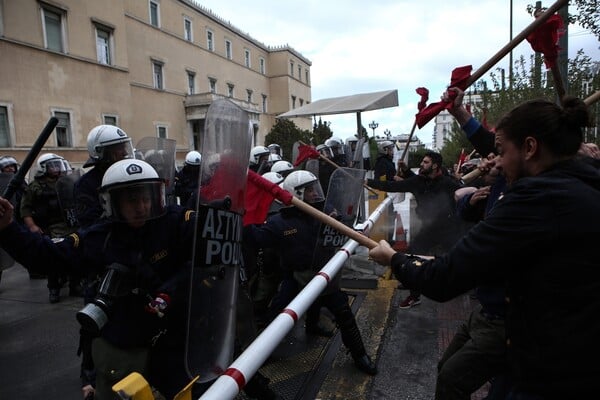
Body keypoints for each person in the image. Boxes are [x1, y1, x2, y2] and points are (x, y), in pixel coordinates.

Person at [369, 96, 600, 399]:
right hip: (568, 350)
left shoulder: (535, 199)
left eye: (502, 152)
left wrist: (394, 259)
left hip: (549, 369)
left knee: (453, 381)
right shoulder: (586, 184)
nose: (496, 161)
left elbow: (445, 279)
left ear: (530, 148)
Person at [0, 159, 203, 399]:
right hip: (123, 343)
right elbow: (47, 257)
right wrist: (8, 228)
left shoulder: (174, 222)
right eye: (131, 200)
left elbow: (207, 244)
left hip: (173, 340)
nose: (141, 206)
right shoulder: (99, 237)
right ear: (113, 201)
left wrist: (221, 218)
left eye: (146, 197)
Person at [244, 170, 378, 376]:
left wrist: (350, 227)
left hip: (324, 274)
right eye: (309, 191)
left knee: (344, 314)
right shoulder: (278, 223)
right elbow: (256, 239)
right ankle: (259, 355)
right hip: (295, 276)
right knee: (278, 317)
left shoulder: (325, 212)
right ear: (296, 194)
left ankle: (359, 354)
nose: (316, 194)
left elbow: (342, 228)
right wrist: (241, 221)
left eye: (315, 189)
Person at [367, 151, 462, 308]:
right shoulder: (417, 181)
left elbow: (463, 196)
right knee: (412, 255)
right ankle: (414, 292)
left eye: (425, 162)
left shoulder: (448, 183)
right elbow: (392, 186)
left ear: (435, 166)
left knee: (456, 259)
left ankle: (458, 287)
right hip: (428, 229)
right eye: (422, 162)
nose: (422, 165)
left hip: (448, 229)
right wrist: (368, 182)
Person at [20, 153, 82, 303]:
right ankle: (54, 288)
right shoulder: (35, 186)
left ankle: (75, 285)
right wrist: (32, 226)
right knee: (53, 257)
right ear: (43, 168)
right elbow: (25, 209)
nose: (56, 168)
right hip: (50, 226)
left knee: (76, 254)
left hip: (70, 223)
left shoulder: (66, 181)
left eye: (58, 165)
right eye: (52, 165)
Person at [75, 125, 134, 228]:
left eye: (125, 146)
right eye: (119, 148)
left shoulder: (128, 175)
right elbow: (89, 223)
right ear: (101, 152)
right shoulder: (86, 184)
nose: (125, 152)